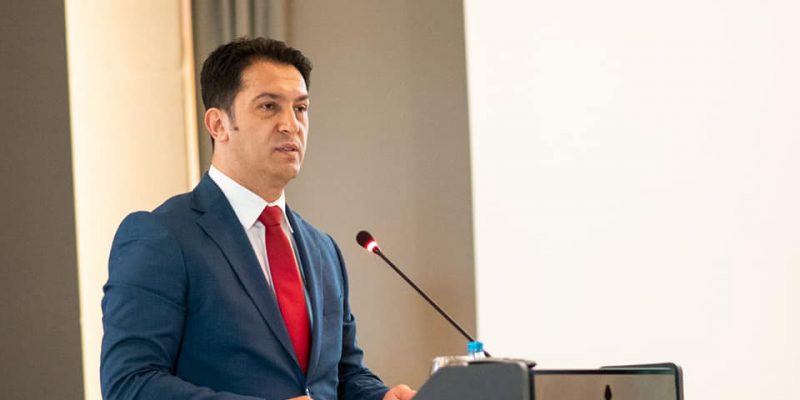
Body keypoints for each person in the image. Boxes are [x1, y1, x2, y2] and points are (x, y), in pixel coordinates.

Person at [100, 37, 416, 400]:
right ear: (218, 124)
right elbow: (130, 384)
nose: (291, 124)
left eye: (300, 108)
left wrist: (381, 397)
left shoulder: (323, 249)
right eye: (269, 106)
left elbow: (342, 377)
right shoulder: (161, 237)